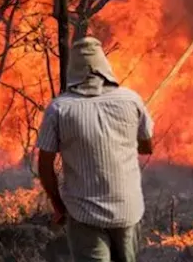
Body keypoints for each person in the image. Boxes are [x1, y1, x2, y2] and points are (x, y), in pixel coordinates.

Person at [37, 36, 154, 262]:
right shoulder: (131, 100)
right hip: (127, 210)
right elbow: (147, 147)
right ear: (105, 67)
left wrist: (58, 205)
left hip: (84, 213)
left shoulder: (59, 108)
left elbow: (44, 165)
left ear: (72, 70)